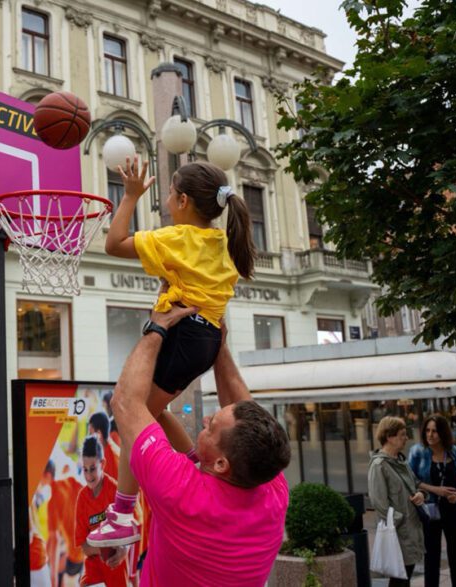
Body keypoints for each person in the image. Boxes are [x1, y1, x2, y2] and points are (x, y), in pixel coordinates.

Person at [91, 156, 256, 547]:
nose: (165, 200)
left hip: (184, 334)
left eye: (168, 194)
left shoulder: (176, 238)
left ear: (183, 201)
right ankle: (193, 465)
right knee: (156, 410)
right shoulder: (221, 240)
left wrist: (130, 196)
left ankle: (122, 513)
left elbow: (113, 244)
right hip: (207, 337)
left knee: (132, 415)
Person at [107, 306, 289, 586]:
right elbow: (238, 402)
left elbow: (125, 402)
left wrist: (157, 327)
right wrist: (220, 346)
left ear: (220, 464)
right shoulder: (270, 485)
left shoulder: (181, 491)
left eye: (210, 427)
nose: (204, 420)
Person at [409, 415, 456, 587]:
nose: (430, 435)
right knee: (431, 560)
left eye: (435, 431)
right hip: (430, 513)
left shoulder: (455, 452)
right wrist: (437, 490)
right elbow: (411, 481)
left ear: (443, 433)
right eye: (427, 430)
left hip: (454, 510)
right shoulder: (418, 452)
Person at [368, 416, 426, 586]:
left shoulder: (401, 461)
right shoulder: (379, 465)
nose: (406, 438)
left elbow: (415, 485)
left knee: (403, 577)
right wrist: (400, 520)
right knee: (400, 579)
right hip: (397, 533)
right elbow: (379, 503)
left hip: (411, 529)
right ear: (389, 437)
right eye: (402, 434)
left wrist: (421, 494)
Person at [74, 436, 128, 587]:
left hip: (115, 567)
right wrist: (103, 548)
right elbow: (84, 545)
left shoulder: (116, 491)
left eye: (93, 469)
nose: (89, 476)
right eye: (85, 470)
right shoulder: (82, 498)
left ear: (102, 464)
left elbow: (130, 530)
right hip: (94, 571)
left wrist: (123, 550)